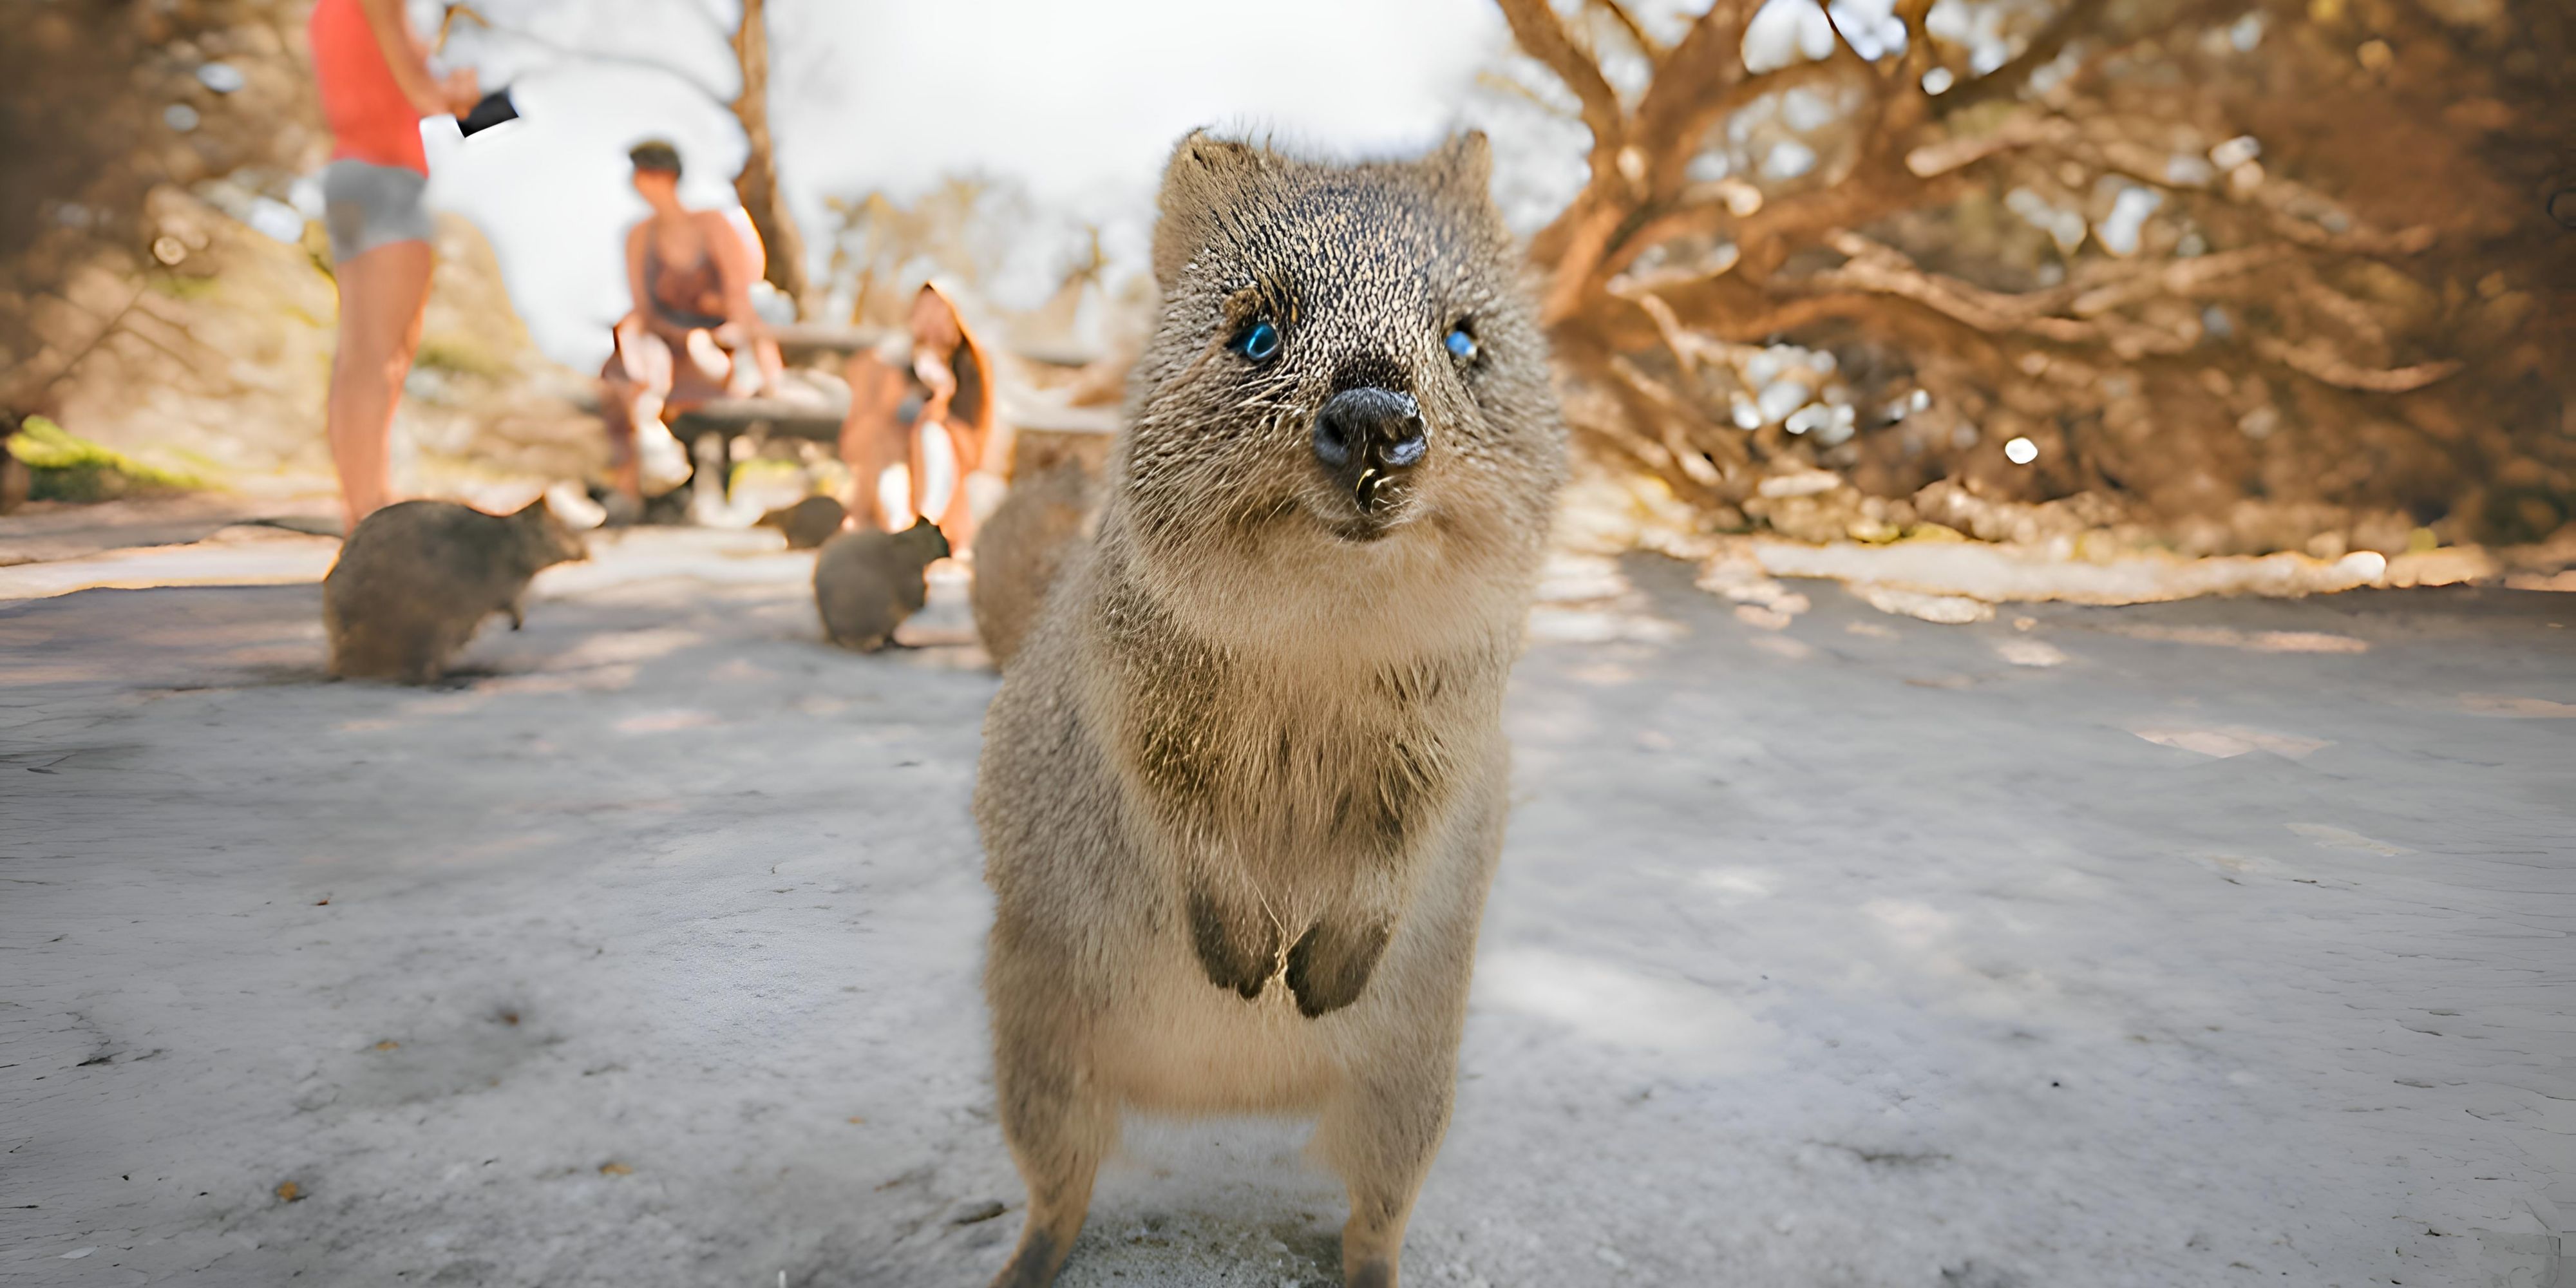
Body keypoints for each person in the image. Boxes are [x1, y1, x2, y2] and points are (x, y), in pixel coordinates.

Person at [310, 0, 480, 533]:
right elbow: (424, 96)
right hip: (388, 175)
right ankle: (374, 512)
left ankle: (363, 509)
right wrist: (465, 96)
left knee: (359, 355)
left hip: (348, 172)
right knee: (386, 356)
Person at [597, 140, 786, 518]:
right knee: (618, 382)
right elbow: (642, 309)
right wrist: (638, 340)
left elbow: (740, 303)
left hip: (715, 346)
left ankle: (701, 483)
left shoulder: (712, 225)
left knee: (700, 366)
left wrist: (768, 370)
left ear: (665, 176)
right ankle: (628, 493)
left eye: (647, 173)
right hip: (664, 347)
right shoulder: (638, 237)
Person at [839, 282, 996, 549]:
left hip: (949, 482)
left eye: (940, 310)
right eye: (923, 309)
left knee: (931, 436)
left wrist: (940, 407)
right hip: (896, 467)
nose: (931, 319)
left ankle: (928, 526)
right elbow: (864, 437)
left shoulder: (971, 369)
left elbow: (976, 451)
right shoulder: (895, 363)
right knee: (888, 465)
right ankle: (898, 529)